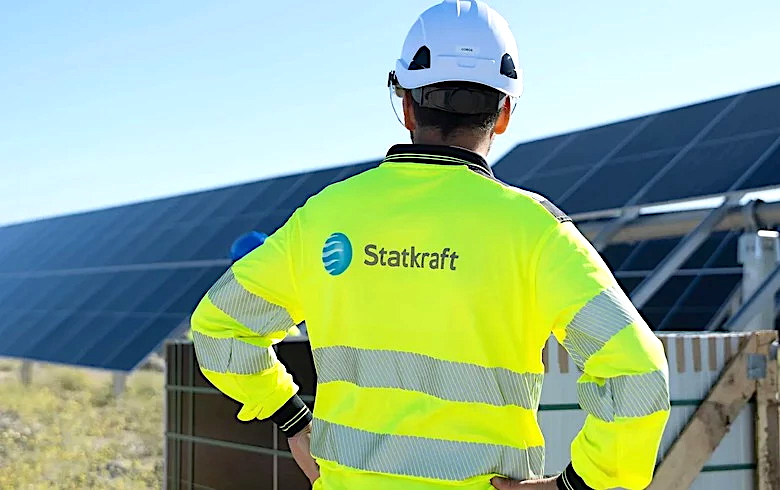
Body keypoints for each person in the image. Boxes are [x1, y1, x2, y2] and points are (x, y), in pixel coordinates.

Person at [189, 1, 671, 489]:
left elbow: (219, 328)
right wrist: (578, 483)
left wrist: (293, 419)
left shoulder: (325, 216)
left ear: (405, 106)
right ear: (504, 113)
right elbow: (638, 374)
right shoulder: (535, 230)